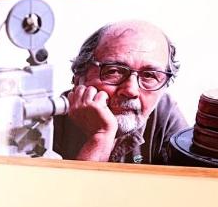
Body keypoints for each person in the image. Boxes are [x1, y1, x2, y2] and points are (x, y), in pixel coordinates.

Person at [53, 20, 188, 164]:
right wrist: (100, 136)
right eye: (114, 71)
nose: (131, 90)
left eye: (149, 75)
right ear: (79, 78)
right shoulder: (47, 125)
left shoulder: (164, 113)